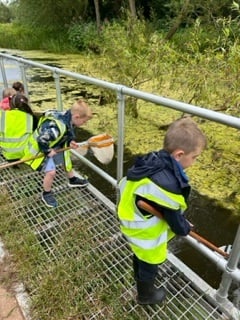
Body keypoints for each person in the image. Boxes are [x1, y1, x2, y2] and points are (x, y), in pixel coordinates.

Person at [117, 117, 207, 305]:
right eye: (194, 157)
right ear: (179, 154)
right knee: (150, 264)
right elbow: (176, 222)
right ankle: (146, 296)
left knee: (140, 258)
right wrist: (184, 227)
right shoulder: (169, 186)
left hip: (131, 222)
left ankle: (139, 279)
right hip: (144, 233)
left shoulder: (152, 161)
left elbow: (154, 201)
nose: (194, 161)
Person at [22, 99, 93, 208]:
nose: (84, 124)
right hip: (40, 149)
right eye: (84, 122)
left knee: (66, 157)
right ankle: (46, 193)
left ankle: (72, 180)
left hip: (52, 143)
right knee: (51, 172)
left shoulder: (68, 117)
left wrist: (70, 142)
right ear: (77, 117)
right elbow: (42, 139)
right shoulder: (57, 128)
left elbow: (66, 134)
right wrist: (48, 151)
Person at [0, 93, 36, 160]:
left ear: (11, 104)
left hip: (6, 154)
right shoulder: (30, 117)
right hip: (25, 154)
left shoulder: (2, 115)